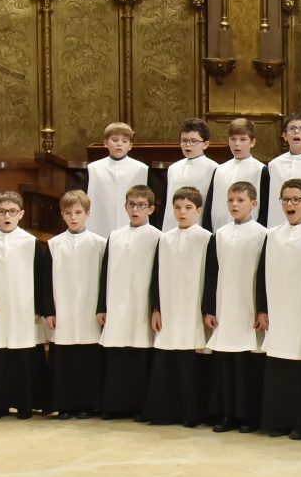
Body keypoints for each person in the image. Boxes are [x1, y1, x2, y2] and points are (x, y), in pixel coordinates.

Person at [0, 191, 51, 421]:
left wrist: (39, 309)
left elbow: (40, 277)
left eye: (12, 211)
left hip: (23, 309)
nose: (8, 216)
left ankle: (26, 405)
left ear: (21, 214)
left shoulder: (31, 243)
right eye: (3, 211)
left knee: (23, 354)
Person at [257, 178, 301, 439]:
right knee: (277, 364)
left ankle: (300, 422)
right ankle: (276, 420)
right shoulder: (272, 235)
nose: (290, 204)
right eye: (285, 199)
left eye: (296, 199)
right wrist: (262, 308)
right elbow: (261, 273)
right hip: (277, 309)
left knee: (300, 367)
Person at [142, 186, 213, 429]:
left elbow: (212, 277)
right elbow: (155, 275)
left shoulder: (206, 238)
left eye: (188, 208)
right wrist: (156, 308)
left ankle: (191, 413)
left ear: (198, 210)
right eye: (177, 207)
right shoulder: (165, 238)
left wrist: (208, 309)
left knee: (190, 359)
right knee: (166, 357)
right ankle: (163, 411)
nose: (182, 212)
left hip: (192, 308)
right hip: (169, 308)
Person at [203, 182, 268, 433]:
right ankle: (226, 413)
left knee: (246, 365)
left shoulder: (262, 234)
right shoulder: (220, 234)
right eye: (230, 200)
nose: (234, 205)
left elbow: (264, 274)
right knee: (225, 364)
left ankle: (248, 416)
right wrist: (209, 308)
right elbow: (212, 273)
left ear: (253, 204)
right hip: (224, 306)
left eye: (240, 200)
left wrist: (262, 309)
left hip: (248, 307)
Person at [97, 184, 161, 419]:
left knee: (140, 354)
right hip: (116, 303)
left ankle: (139, 406)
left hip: (141, 305)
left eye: (141, 205)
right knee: (117, 355)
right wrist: (101, 306)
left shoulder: (157, 237)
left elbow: (158, 275)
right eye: (131, 204)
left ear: (151, 209)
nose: (135, 209)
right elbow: (105, 274)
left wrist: (156, 307)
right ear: (125, 207)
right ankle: (114, 406)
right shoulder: (114, 236)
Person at [47, 190, 106, 420]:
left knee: (87, 357)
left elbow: (105, 280)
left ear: (88, 214)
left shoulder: (99, 244)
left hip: (89, 307)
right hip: (63, 307)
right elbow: (45, 280)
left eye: (78, 212)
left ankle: (87, 404)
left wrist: (102, 307)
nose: (73, 217)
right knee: (65, 357)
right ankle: (65, 404)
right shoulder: (53, 244)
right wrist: (49, 311)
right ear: (62, 215)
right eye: (69, 213)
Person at [85, 122, 149, 239]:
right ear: (105, 143)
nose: (119, 144)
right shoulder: (94, 168)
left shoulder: (141, 169)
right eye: (114, 140)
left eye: (124, 141)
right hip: (100, 221)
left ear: (130, 145)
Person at [206, 118, 269, 232]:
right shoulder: (219, 170)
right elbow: (209, 204)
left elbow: (265, 207)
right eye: (233, 139)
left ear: (252, 142)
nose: (237, 144)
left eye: (243, 139)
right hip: (220, 231)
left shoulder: (260, 170)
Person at [162, 118, 218, 230]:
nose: (188, 145)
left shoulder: (214, 168)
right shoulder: (173, 168)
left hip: (199, 227)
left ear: (205, 144)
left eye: (193, 141)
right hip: (172, 226)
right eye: (184, 140)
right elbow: (167, 203)